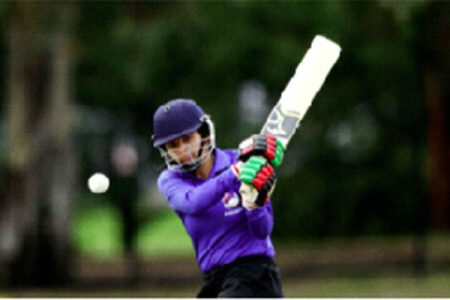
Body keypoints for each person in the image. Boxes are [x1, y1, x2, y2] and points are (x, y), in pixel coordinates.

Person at [153, 98, 285, 298]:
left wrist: (254, 204)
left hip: (255, 274)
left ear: (204, 133)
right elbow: (193, 202)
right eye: (173, 145)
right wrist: (236, 173)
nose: (182, 150)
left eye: (188, 138)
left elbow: (262, 231)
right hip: (214, 279)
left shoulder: (237, 161)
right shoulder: (171, 180)